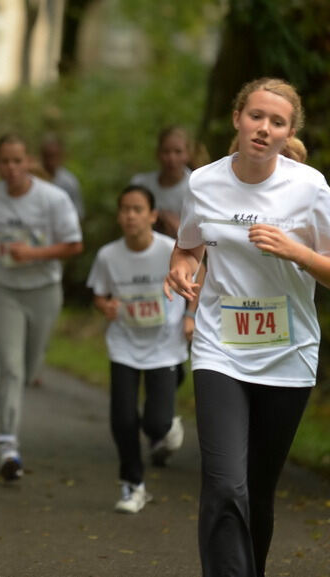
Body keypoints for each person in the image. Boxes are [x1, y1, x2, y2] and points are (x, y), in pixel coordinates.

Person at [165, 78, 330, 577]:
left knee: (257, 490)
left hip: (287, 354)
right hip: (219, 349)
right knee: (226, 485)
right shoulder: (203, 182)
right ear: (238, 119)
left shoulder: (308, 187)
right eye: (256, 116)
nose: (264, 128)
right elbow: (189, 244)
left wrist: (296, 251)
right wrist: (181, 265)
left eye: (276, 122)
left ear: (287, 132)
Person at [0, 134, 83, 482]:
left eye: (17, 161)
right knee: (11, 369)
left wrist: (33, 254)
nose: (11, 168)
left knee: (30, 369)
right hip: (7, 291)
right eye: (4, 162)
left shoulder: (53, 198)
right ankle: (8, 447)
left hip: (44, 290)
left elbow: (75, 245)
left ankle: (11, 435)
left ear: (28, 161)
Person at [87, 184, 189, 514]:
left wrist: (190, 318)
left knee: (156, 425)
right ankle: (133, 484)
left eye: (138, 209)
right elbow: (99, 295)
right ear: (119, 216)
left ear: (152, 215)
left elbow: (195, 287)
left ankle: (168, 425)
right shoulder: (108, 256)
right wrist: (106, 307)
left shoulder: (170, 251)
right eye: (125, 210)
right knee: (122, 419)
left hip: (165, 344)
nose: (130, 216)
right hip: (124, 345)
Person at [130, 126, 193, 237]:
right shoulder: (141, 184)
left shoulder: (196, 186)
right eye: (166, 152)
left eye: (178, 152)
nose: (171, 158)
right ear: (158, 153)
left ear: (188, 154)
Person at [40, 133, 84, 219]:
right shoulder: (34, 178)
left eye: (54, 156)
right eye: (47, 156)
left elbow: (78, 213)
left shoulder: (69, 182)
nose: (51, 161)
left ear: (61, 156)